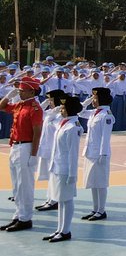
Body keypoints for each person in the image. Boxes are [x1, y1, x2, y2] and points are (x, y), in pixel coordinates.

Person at [1, 76, 44, 232]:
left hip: (26, 147)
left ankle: (26, 218)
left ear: (31, 91)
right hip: (15, 146)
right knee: (16, 185)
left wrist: (33, 155)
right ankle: (18, 214)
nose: (19, 93)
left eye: (21, 90)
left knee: (25, 185)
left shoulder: (35, 108)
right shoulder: (20, 105)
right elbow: (1, 106)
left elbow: (37, 133)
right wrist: (8, 96)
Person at [43, 94, 84, 242]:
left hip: (66, 170)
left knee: (67, 200)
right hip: (57, 167)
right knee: (60, 200)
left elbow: (73, 154)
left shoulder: (72, 127)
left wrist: (72, 174)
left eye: (63, 107)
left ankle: (66, 231)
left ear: (69, 109)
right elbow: (49, 119)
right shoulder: (63, 123)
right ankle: (59, 229)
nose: (60, 109)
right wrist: (55, 111)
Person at [79, 87, 116, 222]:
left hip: (100, 154)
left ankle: (101, 210)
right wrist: (88, 100)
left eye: (95, 98)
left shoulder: (106, 115)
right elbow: (79, 111)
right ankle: (95, 209)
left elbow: (105, 138)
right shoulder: (94, 113)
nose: (93, 100)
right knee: (93, 182)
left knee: (101, 183)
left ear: (101, 99)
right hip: (90, 152)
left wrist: (103, 154)